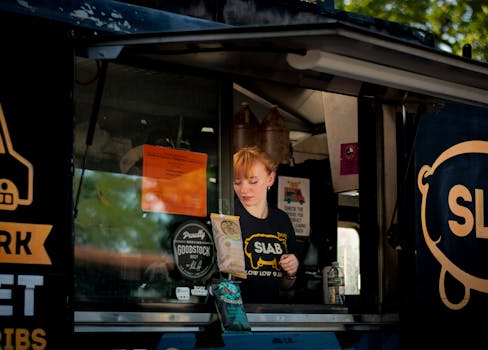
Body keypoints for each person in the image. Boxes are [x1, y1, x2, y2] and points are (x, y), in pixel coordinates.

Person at [233, 146, 299, 303]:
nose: (244, 189)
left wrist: (292, 271)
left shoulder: (281, 221)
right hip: (236, 312)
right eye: (237, 182)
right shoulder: (228, 217)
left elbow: (285, 286)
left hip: (270, 313)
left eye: (253, 181)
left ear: (270, 179)